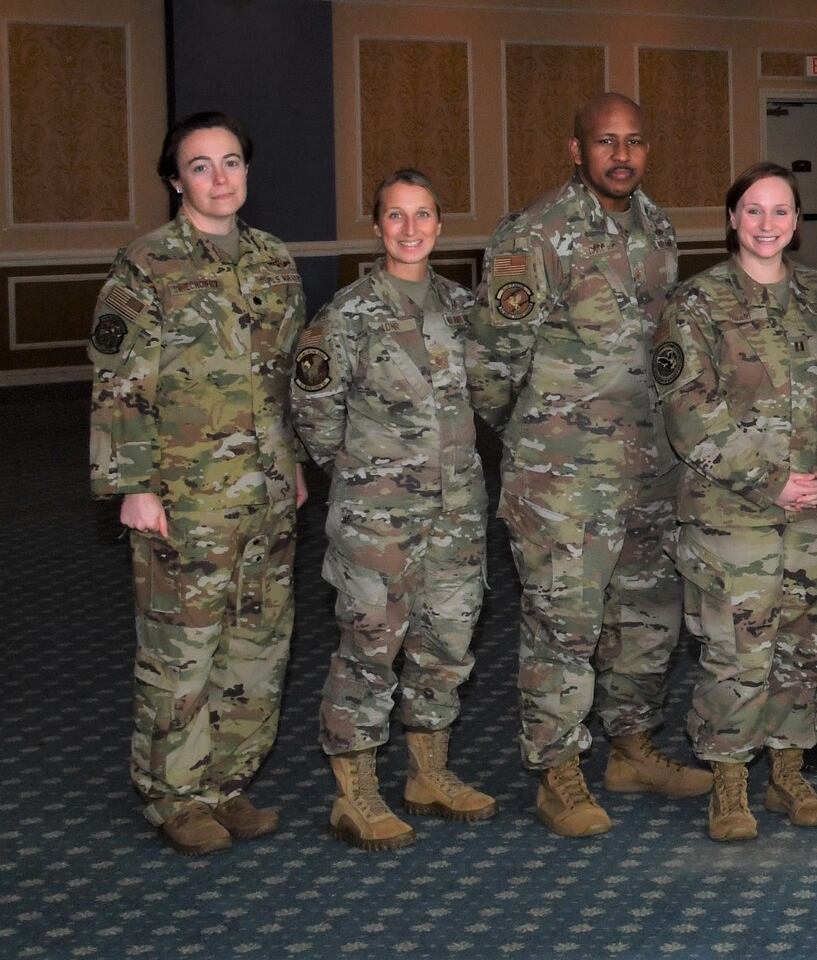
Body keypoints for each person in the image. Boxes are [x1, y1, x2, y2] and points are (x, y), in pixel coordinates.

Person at [469, 92, 708, 838]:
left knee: (648, 618)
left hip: (651, 465)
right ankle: (558, 769)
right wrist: (537, 438)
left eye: (634, 140)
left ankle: (631, 746)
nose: (622, 155)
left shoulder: (658, 226)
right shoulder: (534, 236)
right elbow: (490, 365)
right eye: (606, 141)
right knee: (563, 626)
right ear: (577, 150)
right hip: (562, 478)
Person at [87, 111, 306, 855]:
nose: (221, 178)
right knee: (182, 650)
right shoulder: (145, 265)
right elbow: (119, 383)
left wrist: (295, 463)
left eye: (232, 161)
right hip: (185, 497)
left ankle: (225, 781)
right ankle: (173, 795)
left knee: (258, 643)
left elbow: (285, 382)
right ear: (175, 179)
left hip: (267, 492)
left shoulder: (274, 260)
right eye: (202, 165)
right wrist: (134, 484)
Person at [293, 169, 494, 851]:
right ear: (376, 226)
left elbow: (495, 396)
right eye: (396, 216)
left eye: (424, 215)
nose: (411, 229)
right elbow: (315, 416)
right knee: (369, 651)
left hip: (457, 515)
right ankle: (355, 793)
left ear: (440, 224)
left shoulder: (465, 308)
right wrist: (365, 478)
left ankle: (426, 774)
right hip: (377, 521)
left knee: (446, 646)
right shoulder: (346, 315)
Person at [654, 163, 817, 842]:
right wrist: (769, 478)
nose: (768, 223)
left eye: (782, 211)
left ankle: (787, 773)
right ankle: (729, 782)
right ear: (733, 218)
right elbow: (688, 412)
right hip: (731, 512)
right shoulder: (696, 304)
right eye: (754, 210)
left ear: (798, 223)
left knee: (809, 644)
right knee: (737, 651)